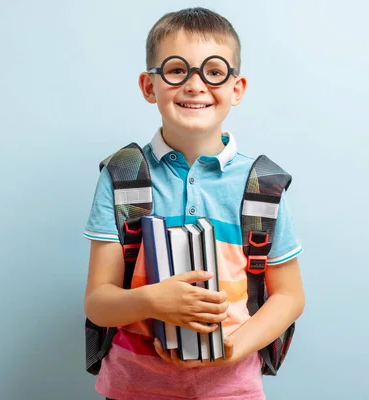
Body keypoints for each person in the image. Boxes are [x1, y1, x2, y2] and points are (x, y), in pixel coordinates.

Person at [83, 7, 305, 400]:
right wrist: (153, 301)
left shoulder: (262, 185)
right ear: (149, 86)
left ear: (237, 88)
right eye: (176, 70)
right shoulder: (122, 176)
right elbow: (99, 304)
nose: (195, 85)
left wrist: (233, 347)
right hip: (134, 387)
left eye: (214, 72)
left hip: (232, 388)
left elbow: (289, 296)